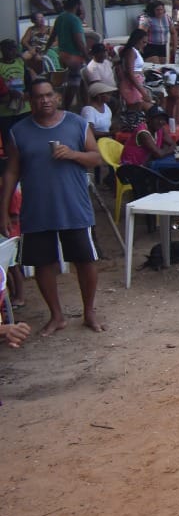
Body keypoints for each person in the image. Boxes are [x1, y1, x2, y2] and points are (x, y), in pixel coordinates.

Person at [0, 78, 104, 335]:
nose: (44, 100)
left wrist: (73, 154)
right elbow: (12, 171)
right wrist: (3, 210)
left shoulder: (76, 124)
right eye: (38, 96)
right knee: (42, 263)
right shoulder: (18, 131)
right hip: (36, 208)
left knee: (85, 259)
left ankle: (89, 311)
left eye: (48, 95)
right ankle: (56, 315)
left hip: (74, 206)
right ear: (29, 100)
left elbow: (96, 158)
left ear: (56, 97)